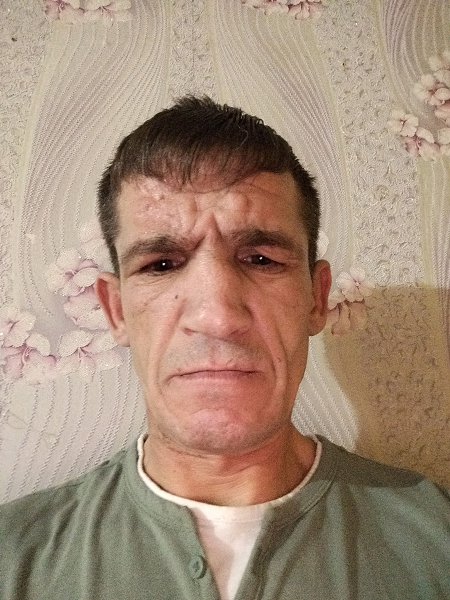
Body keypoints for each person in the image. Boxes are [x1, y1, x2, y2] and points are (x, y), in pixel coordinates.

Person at [1, 96, 449, 600]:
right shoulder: (13, 560)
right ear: (117, 311)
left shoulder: (438, 543)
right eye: (161, 265)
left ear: (317, 299)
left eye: (261, 259)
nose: (217, 317)